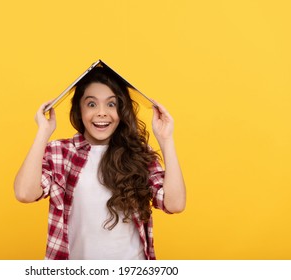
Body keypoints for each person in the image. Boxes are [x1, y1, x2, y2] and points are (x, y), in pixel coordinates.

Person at [14, 66, 186, 260]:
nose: (102, 113)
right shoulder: (61, 153)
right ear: (79, 109)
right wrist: (43, 132)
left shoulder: (138, 154)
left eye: (111, 104)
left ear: (121, 110)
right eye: (92, 104)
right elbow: (24, 193)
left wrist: (166, 140)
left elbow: (175, 204)